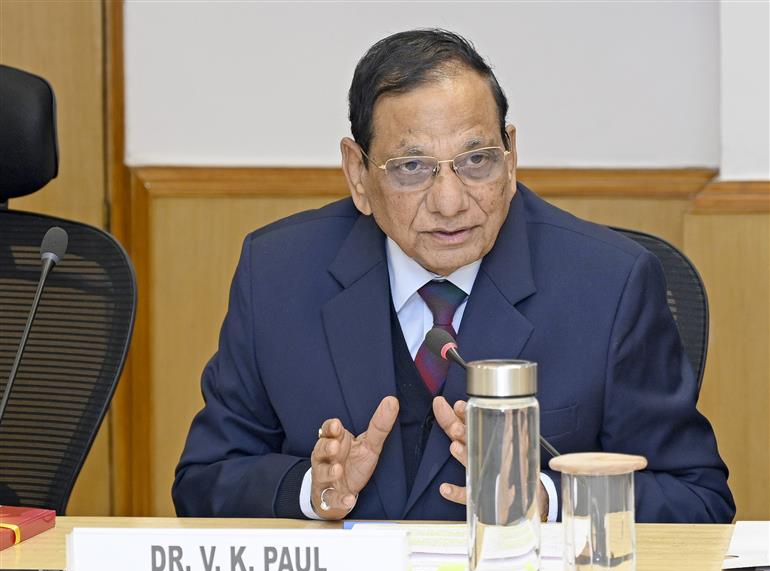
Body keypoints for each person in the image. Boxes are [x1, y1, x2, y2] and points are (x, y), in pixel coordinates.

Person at [172, 29, 734, 524]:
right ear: (358, 175)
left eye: (476, 161)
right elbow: (203, 481)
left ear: (511, 158)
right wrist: (309, 491)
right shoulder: (277, 273)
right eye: (412, 167)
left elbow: (699, 499)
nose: (450, 201)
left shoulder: (607, 284)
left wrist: (545, 500)